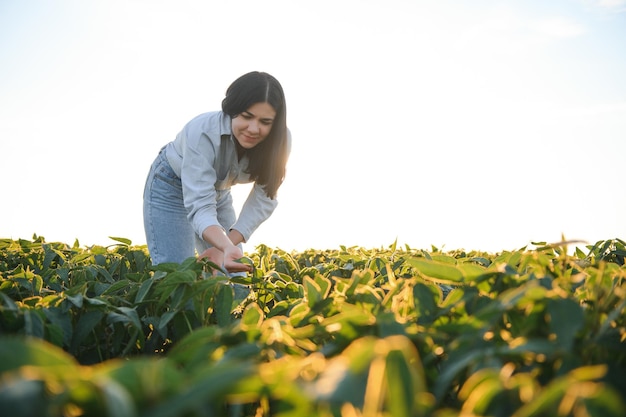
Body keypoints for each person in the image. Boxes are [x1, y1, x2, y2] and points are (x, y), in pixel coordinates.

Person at [143, 71, 290, 273]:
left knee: (236, 275)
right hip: (170, 187)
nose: (254, 129)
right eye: (247, 116)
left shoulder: (280, 141)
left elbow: (264, 198)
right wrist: (224, 247)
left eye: (265, 122)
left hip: (219, 192)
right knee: (176, 276)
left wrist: (226, 247)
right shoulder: (202, 132)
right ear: (232, 110)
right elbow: (200, 205)